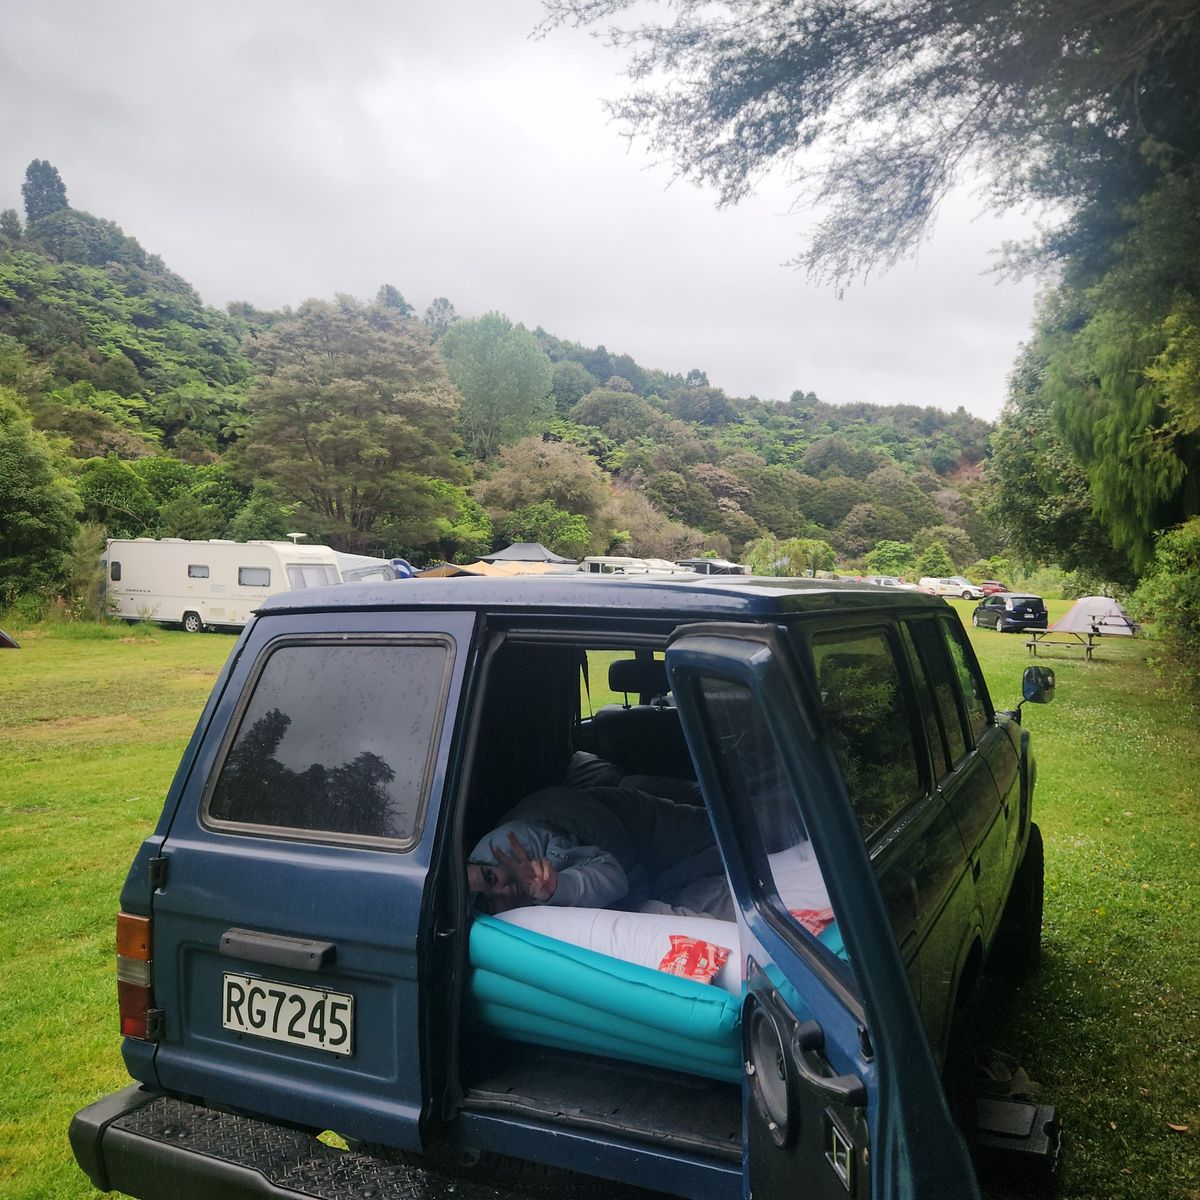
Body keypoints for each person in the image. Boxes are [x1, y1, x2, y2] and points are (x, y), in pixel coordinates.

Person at [466, 785, 725, 915]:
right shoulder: (500, 923)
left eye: (491, 878)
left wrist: (556, 887)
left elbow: (612, 876)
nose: (504, 889)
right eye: (490, 901)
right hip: (630, 864)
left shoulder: (515, 843)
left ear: (487, 864)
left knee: (722, 829)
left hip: (625, 819)